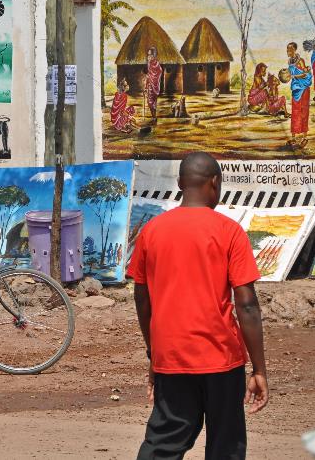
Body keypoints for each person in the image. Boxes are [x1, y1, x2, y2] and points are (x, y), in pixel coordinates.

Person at [127, 152, 268, 459]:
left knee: (163, 444)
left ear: (180, 184)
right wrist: (259, 369)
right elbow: (247, 306)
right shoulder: (229, 231)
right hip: (221, 359)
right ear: (214, 183)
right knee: (226, 446)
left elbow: (142, 297)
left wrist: (155, 353)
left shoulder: (151, 231)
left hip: (172, 357)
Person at [285, 42, 313, 148]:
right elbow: (289, 75)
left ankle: (304, 137)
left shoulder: (300, 61)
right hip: (296, 89)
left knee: (303, 111)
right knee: (295, 112)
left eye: (290, 49)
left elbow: (305, 74)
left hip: (304, 88)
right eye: (287, 49)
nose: (288, 51)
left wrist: (293, 76)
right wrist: (288, 76)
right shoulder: (290, 62)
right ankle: (293, 138)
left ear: (294, 50)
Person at [144, 47, 163, 120]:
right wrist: (146, 85)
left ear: (154, 56)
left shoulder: (157, 64)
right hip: (149, 85)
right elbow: (149, 73)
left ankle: (154, 117)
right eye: (148, 55)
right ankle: (154, 117)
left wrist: (150, 76)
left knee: (152, 102)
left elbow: (159, 72)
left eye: (150, 55)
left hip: (155, 85)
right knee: (150, 102)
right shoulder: (149, 64)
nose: (148, 56)